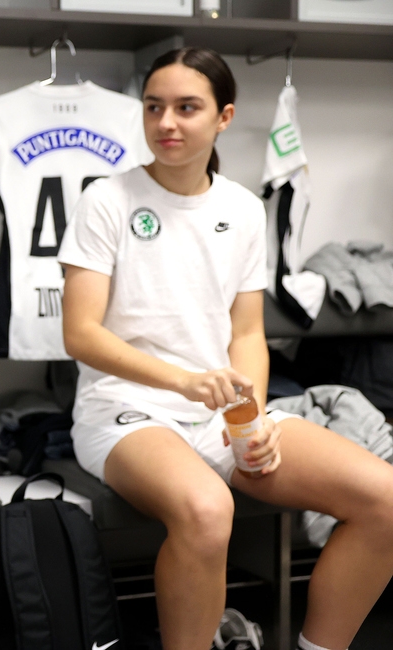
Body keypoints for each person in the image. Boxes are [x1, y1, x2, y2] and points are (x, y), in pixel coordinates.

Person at [59, 47, 393, 650]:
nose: (166, 123)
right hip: (126, 411)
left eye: (187, 108)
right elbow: (81, 335)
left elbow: (246, 334)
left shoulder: (241, 208)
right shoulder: (106, 199)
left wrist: (252, 419)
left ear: (224, 117)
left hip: (218, 413)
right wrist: (181, 382)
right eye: (154, 107)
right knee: (209, 510)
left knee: (387, 500)